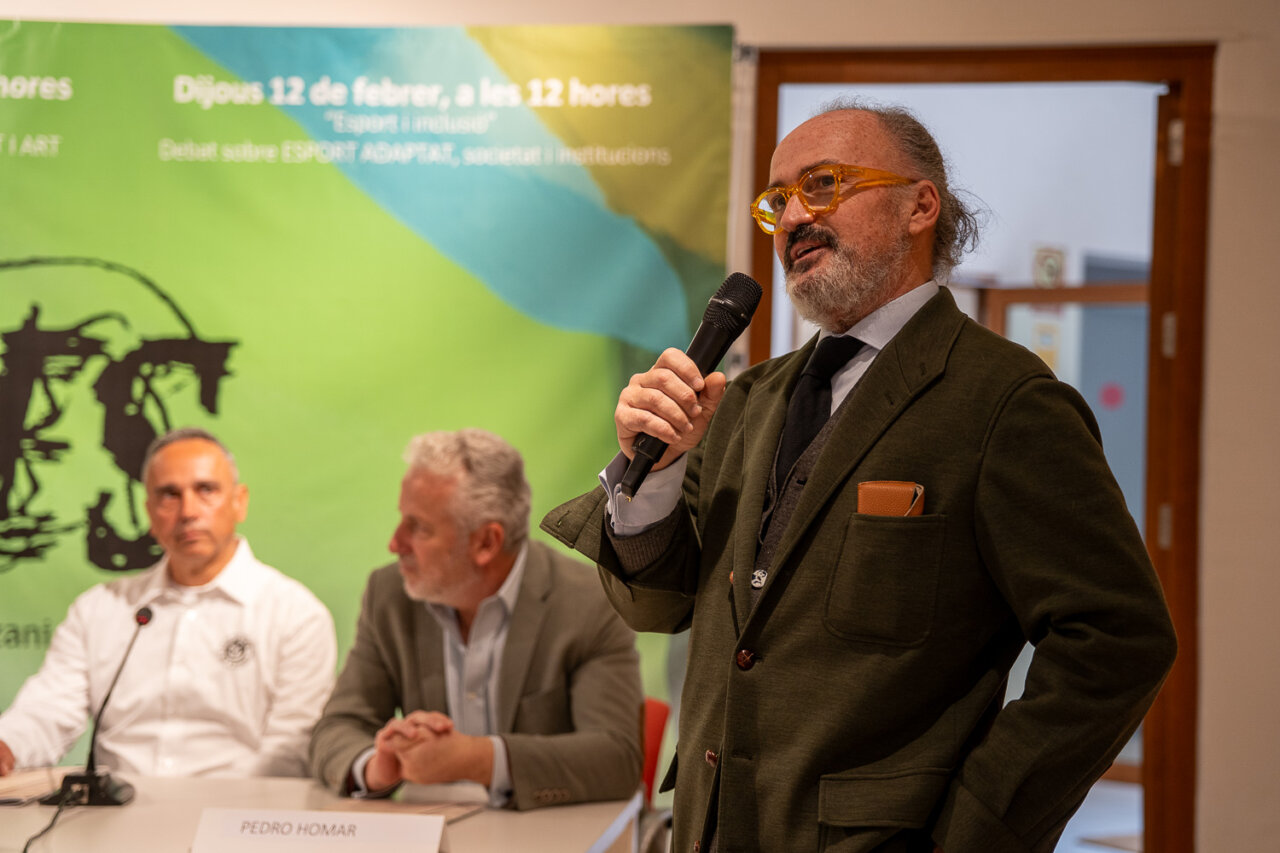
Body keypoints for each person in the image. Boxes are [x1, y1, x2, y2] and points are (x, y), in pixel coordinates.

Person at [541, 100, 1178, 853]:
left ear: (921, 205)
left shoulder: (1003, 400)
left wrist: (978, 830)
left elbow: (1117, 641)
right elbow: (661, 606)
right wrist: (656, 474)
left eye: (824, 183)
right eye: (779, 200)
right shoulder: (746, 399)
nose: (791, 219)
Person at [309, 428, 643, 810]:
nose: (395, 543)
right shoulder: (390, 596)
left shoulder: (590, 603)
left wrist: (478, 759)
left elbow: (616, 758)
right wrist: (377, 766)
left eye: (418, 527)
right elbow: (335, 729)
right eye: (402, 519)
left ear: (486, 542)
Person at [0, 427, 336, 778]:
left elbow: (288, 752)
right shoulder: (100, 609)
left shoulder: (295, 614)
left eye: (205, 490)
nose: (188, 511)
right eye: (169, 495)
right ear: (149, 512)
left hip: (237, 819)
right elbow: (48, 710)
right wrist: (7, 746)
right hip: (113, 817)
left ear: (240, 501)